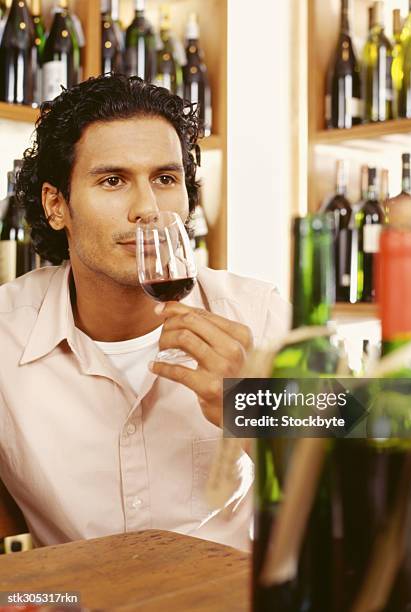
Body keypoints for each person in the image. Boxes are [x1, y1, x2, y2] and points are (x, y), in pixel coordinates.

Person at [0, 75, 289, 552]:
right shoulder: (9, 333)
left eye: (165, 179)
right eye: (113, 180)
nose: (148, 208)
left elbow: (386, 445)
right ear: (56, 205)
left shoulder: (258, 315)